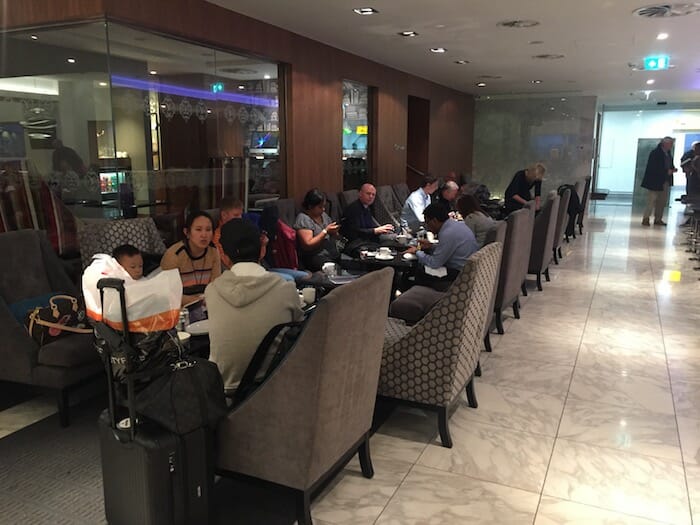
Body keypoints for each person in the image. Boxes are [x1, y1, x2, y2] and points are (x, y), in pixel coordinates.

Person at [205, 219, 304, 393]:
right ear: (262, 250)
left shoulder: (212, 291)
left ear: (223, 254)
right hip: (274, 388)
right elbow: (300, 332)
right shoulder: (285, 289)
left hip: (226, 396)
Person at [403, 203, 479, 292]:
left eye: (427, 222)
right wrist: (431, 246)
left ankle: (416, 298)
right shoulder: (456, 225)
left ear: (434, 221)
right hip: (466, 269)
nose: (427, 227)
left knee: (420, 270)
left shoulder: (448, 233)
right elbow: (449, 250)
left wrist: (416, 251)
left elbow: (434, 263)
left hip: (459, 274)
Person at [161, 211, 221, 306]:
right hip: (180, 308)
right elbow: (170, 294)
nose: (204, 235)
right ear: (187, 232)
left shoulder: (213, 251)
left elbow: (216, 285)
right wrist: (199, 301)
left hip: (208, 305)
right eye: (198, 229)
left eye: (208, 229)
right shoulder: (173, 255)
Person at [294, 189, 341, 271]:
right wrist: (325, 231)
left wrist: (334, 233)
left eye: (324, 206)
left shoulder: (323, 215)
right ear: (310, 206)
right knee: (335, 270)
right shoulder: (303, 218)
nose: (323, 209)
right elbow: (308, 244)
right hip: (315, 257)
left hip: (331, 253)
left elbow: (335, 235)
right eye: (320, 207)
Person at [341, 183, 394, 247]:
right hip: (355, 243)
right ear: (360, 194)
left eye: (373, 195)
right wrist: (375, 230)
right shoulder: (353, 209)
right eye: (368, 194)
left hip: (367, 240)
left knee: (393, 240)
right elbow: (355, 232)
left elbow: (369, 226)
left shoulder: (367, 207)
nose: (371, 197)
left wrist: (382, 229)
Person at [641, 136, 676, 226]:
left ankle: (658, 219)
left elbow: (669, 164)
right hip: (654, 181)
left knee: (662, 201)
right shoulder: (655, 153)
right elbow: (653, 167)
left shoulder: (668, 153)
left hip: (665, 181)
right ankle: (646, 218)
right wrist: (666, 171)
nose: (671, 145)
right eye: (670, 144)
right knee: (651, 200)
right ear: (665, 144)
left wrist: (672, 169)